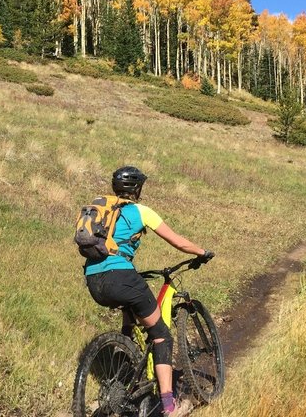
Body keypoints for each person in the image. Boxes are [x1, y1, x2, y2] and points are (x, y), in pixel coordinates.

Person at [83, 166, 213, 417]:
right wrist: (201, 252)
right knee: (161, 334)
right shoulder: (141, 211)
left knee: (130, 316)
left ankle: (124, 362)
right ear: (136, 189)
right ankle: (169, 405)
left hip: (93, 280)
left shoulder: (102, 209)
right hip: (120, 277)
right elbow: (178, 241)